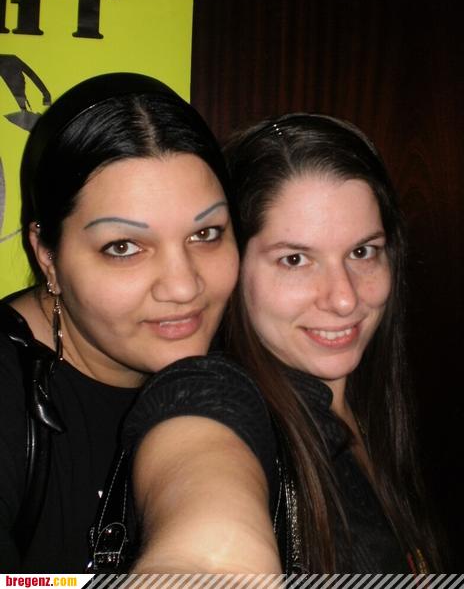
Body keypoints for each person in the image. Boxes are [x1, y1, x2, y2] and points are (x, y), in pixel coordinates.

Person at [122, 114, 441, 573]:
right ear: (234, 264)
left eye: (362, 252)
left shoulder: (383, 404)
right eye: (295, 259)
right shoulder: (214, 394)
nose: (344, 298)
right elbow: (204, 538)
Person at [0, 72, 239, 572]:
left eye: (206, 234)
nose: (183, 287)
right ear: (47, 255)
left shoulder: (246, 356)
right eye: (124, 247)